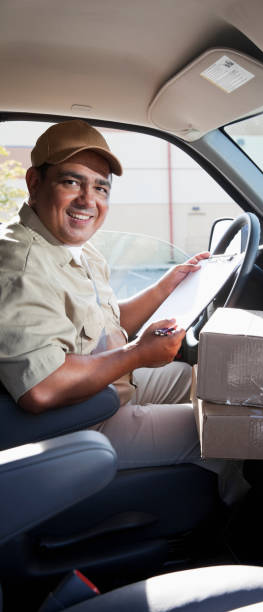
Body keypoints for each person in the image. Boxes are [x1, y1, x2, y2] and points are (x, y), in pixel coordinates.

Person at [0, 120, 211, 469]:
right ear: (34, 184)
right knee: (227, 432)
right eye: (71, 182)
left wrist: (166, 285)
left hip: (103, 389)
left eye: (101, 188)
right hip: (76, 421)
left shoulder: (68, 245)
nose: (88, 200)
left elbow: (102, 325)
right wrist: (138, 353)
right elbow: (43, 388)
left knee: (201, 383)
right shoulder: (19, 265)